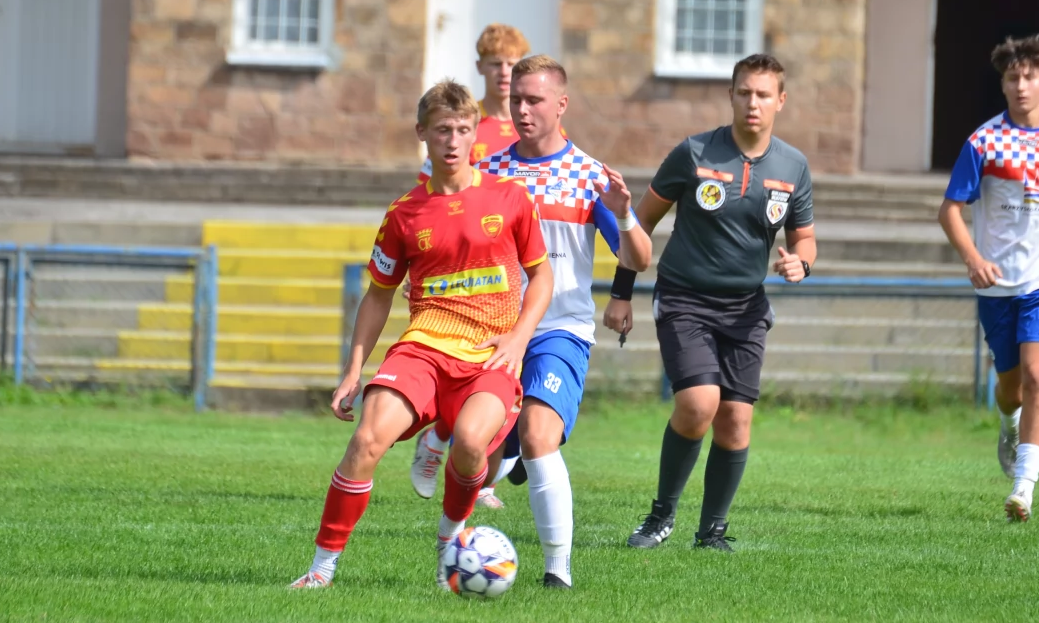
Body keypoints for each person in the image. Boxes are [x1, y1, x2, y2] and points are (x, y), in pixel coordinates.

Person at [289, 80, 553, 589]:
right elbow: (379, 294)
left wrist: (519, 338)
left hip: (489, 355)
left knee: (473, 445)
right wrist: (352, 371)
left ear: (475, 132)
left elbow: (541, 277)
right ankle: (321, 570)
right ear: (422, 135)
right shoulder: (404, 213)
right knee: (365, 439)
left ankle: (451, 539)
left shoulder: (511, 198)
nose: (452, 141)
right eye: (441, 131)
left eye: (461, 130)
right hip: (425, 347)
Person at [411, 55, 652, 589]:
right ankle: (448, 441)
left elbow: (639, 258)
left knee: (541, 435)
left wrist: (626, 213)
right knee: (482, 455)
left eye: (535, 100)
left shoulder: (589, 177)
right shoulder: (489, 172)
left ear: (561, 105)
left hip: (558, 330)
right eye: (516, 99)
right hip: (488, 330)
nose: (522, 109)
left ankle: (556, 573)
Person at [603, 53, 816, 553]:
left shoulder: (793, 166)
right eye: (744, 92)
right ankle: (660, 517)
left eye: (764, 94)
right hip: (685, 299)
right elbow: (639, 223)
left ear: (780, 101)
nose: (753, 103)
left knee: (736, 419)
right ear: (732, 95)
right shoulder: (694, 152)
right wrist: (620, 294)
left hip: (746, 309)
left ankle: (712, 532)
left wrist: (799, 265)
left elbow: (805, 240)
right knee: (699, 404)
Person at [938, 35, 1039, 523]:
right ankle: (1008, 425)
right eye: (1013, 77)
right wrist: (972, 258)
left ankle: (1023, 489)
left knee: (1038, 377)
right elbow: (949, 210)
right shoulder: (983, 142)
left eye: (1030, 76)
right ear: (1004, 84)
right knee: (1010, 389)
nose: (1022, 85)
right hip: (996, 285)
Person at [416, 24, 530, 185]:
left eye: (511, 64)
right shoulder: (461, 121)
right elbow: (428, 186)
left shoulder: (537, 123)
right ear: (479, 66)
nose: (504, 72)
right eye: (496, 64)